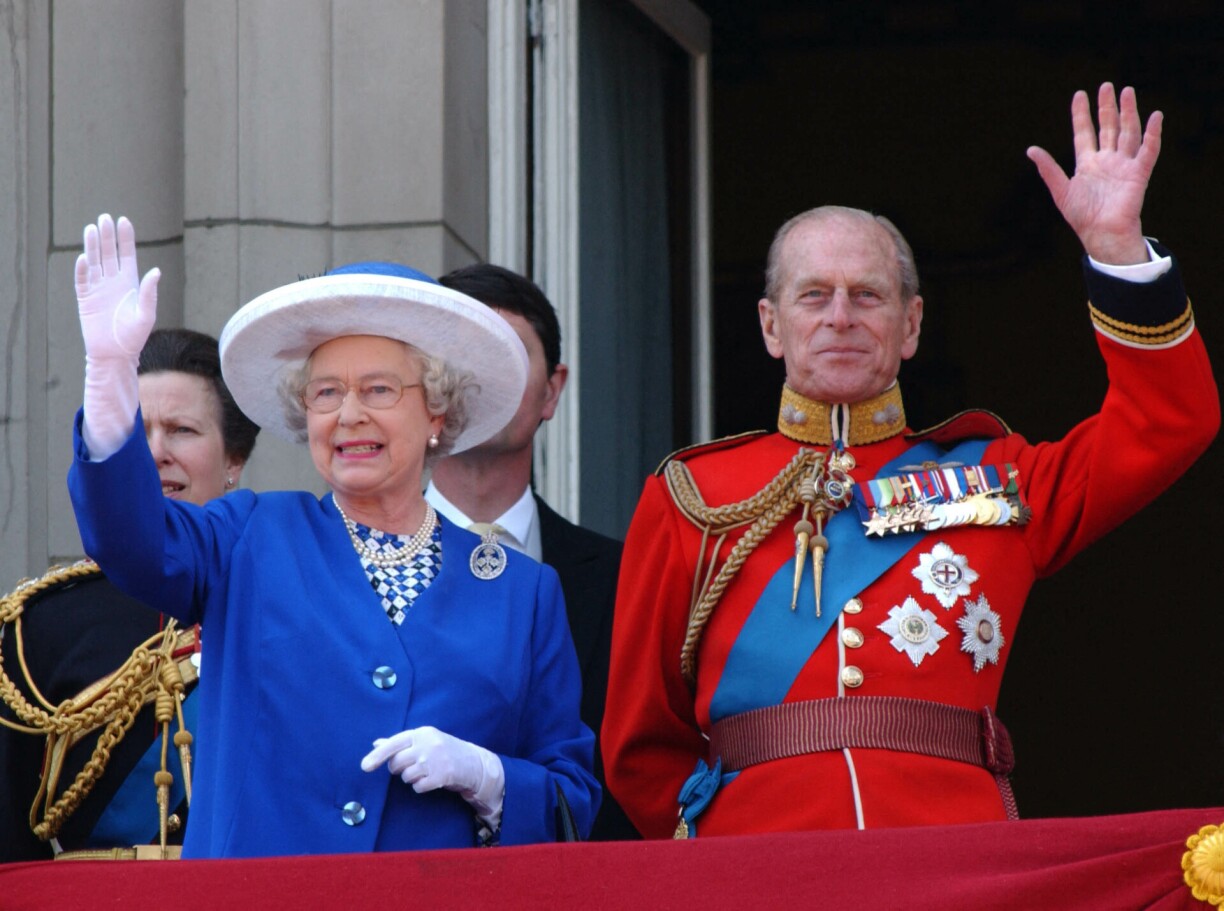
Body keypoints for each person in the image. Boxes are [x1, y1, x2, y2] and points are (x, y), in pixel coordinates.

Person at [601, 83, 1219, 839]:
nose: (840, 317)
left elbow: (1168, 422)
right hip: (757, 864)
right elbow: (642, 749)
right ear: (770, 325)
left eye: (868, 295)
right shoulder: (689, 497)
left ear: (911, 323)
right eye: (813, 295)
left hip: (953, 856)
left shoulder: (1002, 477)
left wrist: (1117, 251)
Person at [64, 216, 599, 858]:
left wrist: (491, 780)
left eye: (378, 389)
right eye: (325, 393)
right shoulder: (248, 537)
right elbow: (131, 540)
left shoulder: (521, 591)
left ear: (437, 410)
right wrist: (109, 383)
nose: (349, 415)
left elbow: (574, 800)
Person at [0, 328, 259, 861]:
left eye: (182, 430)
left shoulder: (283, 601)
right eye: (136, 432)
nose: (155, 453)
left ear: (234, 459)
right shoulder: (39, 626)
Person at [428, 264, 635, 840]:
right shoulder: (345, 562)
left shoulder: (626, 580)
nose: (483, 382)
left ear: (552, 389)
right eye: (461, 358)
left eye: (508, 358)